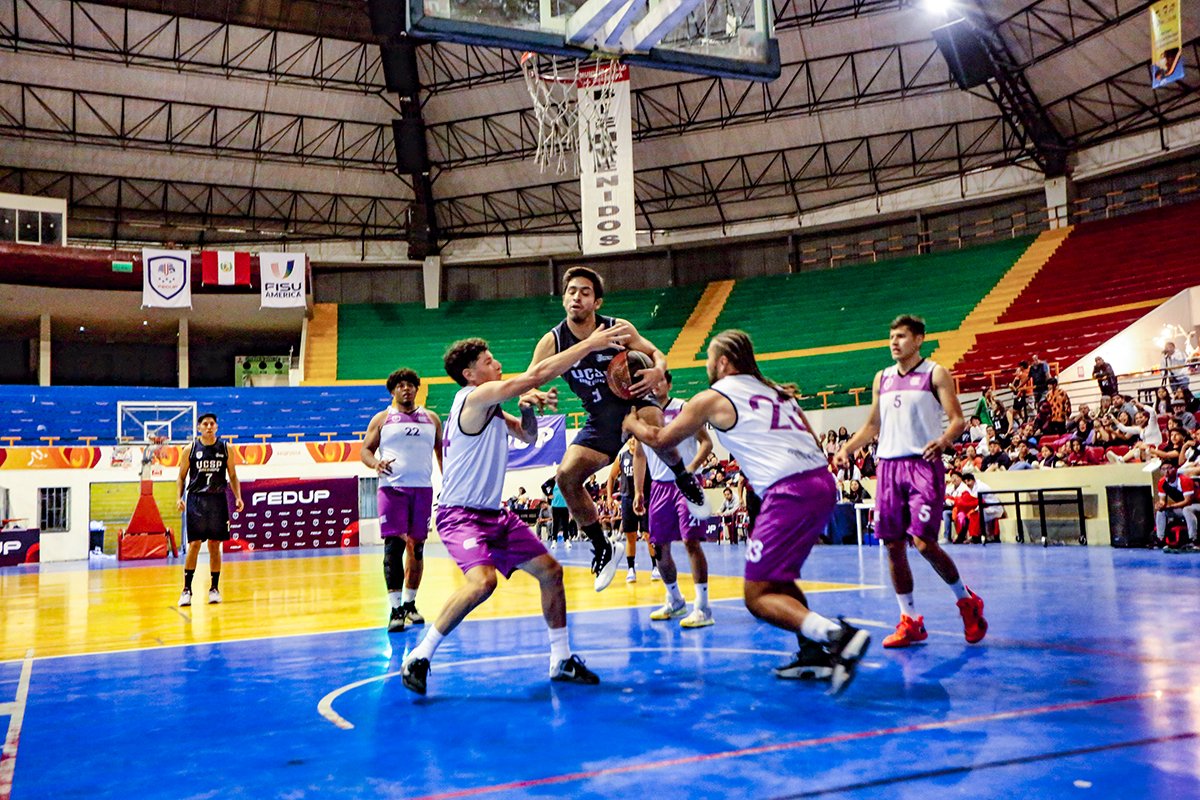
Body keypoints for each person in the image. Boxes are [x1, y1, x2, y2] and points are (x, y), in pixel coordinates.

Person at [623, 330, 870, 694]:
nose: (706, 364)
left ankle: (835, 635)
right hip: (820, 484)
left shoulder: (714, 397)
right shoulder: (777, 392)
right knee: (777, 579)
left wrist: (628, 423)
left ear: (723, 362)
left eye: (709, 357)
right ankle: (812, 654)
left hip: (789, 491)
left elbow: (661, 440)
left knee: (756, 596)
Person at [399, 324, 629, 695]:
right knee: (483, 582)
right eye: (489, 361)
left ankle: (561, 659)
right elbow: (535, 375)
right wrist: (590, 345)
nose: (498, 364)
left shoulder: (491, 411)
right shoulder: (473, 398)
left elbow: (528, 435)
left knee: (552, 573)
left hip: (494, 515)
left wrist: (527, 411)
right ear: (470, 374)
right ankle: (420, 656)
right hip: (459, 515)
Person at [527, 267, 709, 592]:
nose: (576, 297)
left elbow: (656, 354)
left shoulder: (618, 328)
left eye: (584, 292)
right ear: (564, 299)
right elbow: (530, 379)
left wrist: (658, 371)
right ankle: (602, 546)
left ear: (596, 301)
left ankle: (684, 478)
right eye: (571, 291)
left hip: (636, 399)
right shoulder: (553, 340)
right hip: (600, 418)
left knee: (655, 434)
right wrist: (533, 394)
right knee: (566, 477)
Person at [836, 314, 987, 649]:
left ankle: (966, 601)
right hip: (888, 467)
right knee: (892, 546)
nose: (894, 342)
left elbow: (958, 420)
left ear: (919, 339)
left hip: (923, 465)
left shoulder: (936, 374)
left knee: (923, 543)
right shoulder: (882, 378)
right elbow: (872, 425)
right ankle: (910, 621)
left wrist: (944, 440)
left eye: (901, 336)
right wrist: (848, 447)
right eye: (891, 336)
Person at [360, 368, 443, 633]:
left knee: (416, 548)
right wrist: (376, 463)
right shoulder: (383, 418)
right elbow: (365, 450)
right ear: (393, 391)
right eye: (400, 385)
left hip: (422, 490)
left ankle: (410, 603)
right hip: (392, 490)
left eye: (410, 385)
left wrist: (450, 482)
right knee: (393, 548)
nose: (406, 389)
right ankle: (395, 608)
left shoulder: (432, 419)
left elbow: (442, 453)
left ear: (417, 389)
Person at [631, 371, 715, 628]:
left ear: (668, 384)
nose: (655, 387)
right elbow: (639, 455)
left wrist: (690, 469)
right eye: (650, 383)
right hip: (658, 487)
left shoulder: (684, 408)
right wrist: (638, 490)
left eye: (659, 381)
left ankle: (702, 607)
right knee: (659, 547)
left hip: (685, 483)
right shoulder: (641, 416)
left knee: (691, 541)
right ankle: (675, 600)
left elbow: (706, 443)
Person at [175, 412, 243, 607]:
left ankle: (214, 588)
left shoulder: (226, 448)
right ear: (199, 428)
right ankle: (186, 590)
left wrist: (238, 497)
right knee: (194, 544)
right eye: (205, 424)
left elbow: (233, 475)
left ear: (217, 426)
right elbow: (181, 476)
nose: (209, 427)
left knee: (215, 545)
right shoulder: (190, 449)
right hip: (196, 499)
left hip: (217, 500)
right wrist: (179, 497)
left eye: (212, 423)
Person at [606, 437, 658, 583]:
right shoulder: (622, 457)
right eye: (630, 439)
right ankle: (631, 569)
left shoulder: (647, 455)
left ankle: (655, 566)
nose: (633, 441)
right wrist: (609, 497)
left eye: (635, 439)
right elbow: (611, 477)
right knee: (631, 536)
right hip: (627, 499)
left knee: (648, 535)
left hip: (646, 498)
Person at [1155, 461, 1199, 548]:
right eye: (1163, 469)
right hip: (1182, 507)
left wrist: (1170, 506)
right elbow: (1163, 501)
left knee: (1187, 509)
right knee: (1161, 511)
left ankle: (1194, 540)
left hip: (1196, 505)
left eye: (1169, 468)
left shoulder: (1184, 480)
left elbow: (1187, 501)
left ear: (1175, 469)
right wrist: (1160, 505)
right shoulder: (1162, 483)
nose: (1166, 472)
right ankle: (1160, 539)